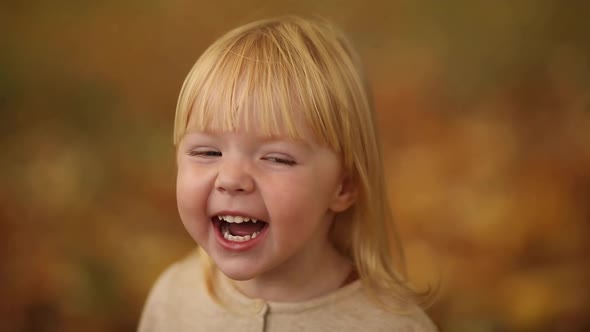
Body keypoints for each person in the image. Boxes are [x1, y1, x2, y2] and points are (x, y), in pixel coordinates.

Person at [138, 15, 437, 331]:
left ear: (343, 186)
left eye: (277, 158)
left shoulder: (389, 326)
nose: (231, 179)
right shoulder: (173, 298)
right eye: (208, 152)